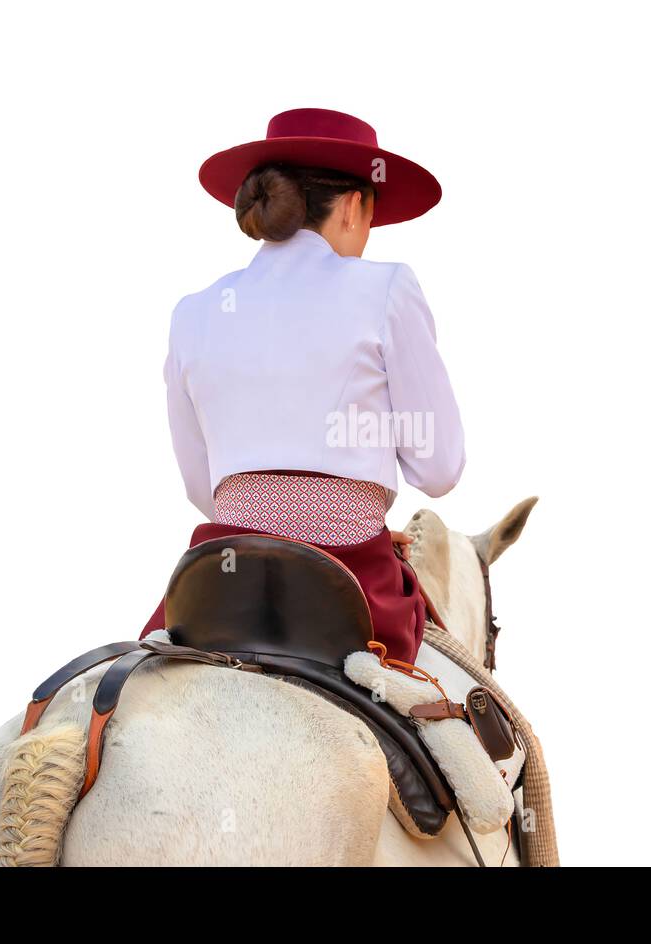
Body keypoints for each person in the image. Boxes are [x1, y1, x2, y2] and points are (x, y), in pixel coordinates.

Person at [141, 108, 463, 664]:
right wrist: (347, 507)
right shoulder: (386, 287)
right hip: (352, 578)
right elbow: (439, 470)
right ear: (355, 205)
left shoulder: (193, 313)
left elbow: (205, 487)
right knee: (461, 728)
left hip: (222, 579)